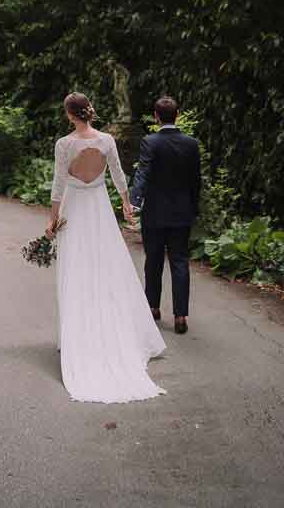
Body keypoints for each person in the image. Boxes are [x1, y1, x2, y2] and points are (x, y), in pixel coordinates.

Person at [48, 91, 166, 403]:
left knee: (75, 270)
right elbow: (118, 175)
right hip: (99, 208)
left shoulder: (65, 144)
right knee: (107, 268)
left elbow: (58, 185)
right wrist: (126, 205)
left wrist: (52, 219)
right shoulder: (106, 140)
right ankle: (111, 331)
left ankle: (75, 338)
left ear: (71, 115)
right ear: (88, 111)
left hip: (74, 209)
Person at [130, 95, 201, 335]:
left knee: (154, 260)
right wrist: (194, 208)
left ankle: (153, 308)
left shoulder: (150, 142)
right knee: (180, 261)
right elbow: (195, 180)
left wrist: (134, 201)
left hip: (155, 213)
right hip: (182, 212)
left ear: (156, 116)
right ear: (178, 114)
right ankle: (180, 316)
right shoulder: (191, 144)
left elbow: (143, 173)